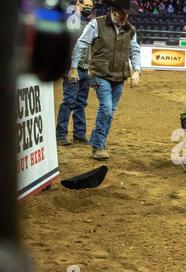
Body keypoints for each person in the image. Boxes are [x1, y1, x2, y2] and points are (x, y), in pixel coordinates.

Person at [69, 0, 141, 160]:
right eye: (123, 13)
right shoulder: (97, 24)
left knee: (110, 112)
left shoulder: (130, 29)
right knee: (107, 109)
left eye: (127, 14)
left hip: (119, 76)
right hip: (99, 74)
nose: (126, 17)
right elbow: (81, 44)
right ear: (114, 11)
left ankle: (98, 140)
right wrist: (73, 67)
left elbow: (135, 50)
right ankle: (98, 146)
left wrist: (137, 71)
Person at [56, 0, 95, 146]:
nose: (89, 8)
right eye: (86, 4)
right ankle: (60, 135)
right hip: (73, 68)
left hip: (85, 67)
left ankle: (79, 134)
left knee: (80, 103)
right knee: (69, 102)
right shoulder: (71, 20)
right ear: (78, 3)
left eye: (91, 6)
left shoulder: (89, 23)